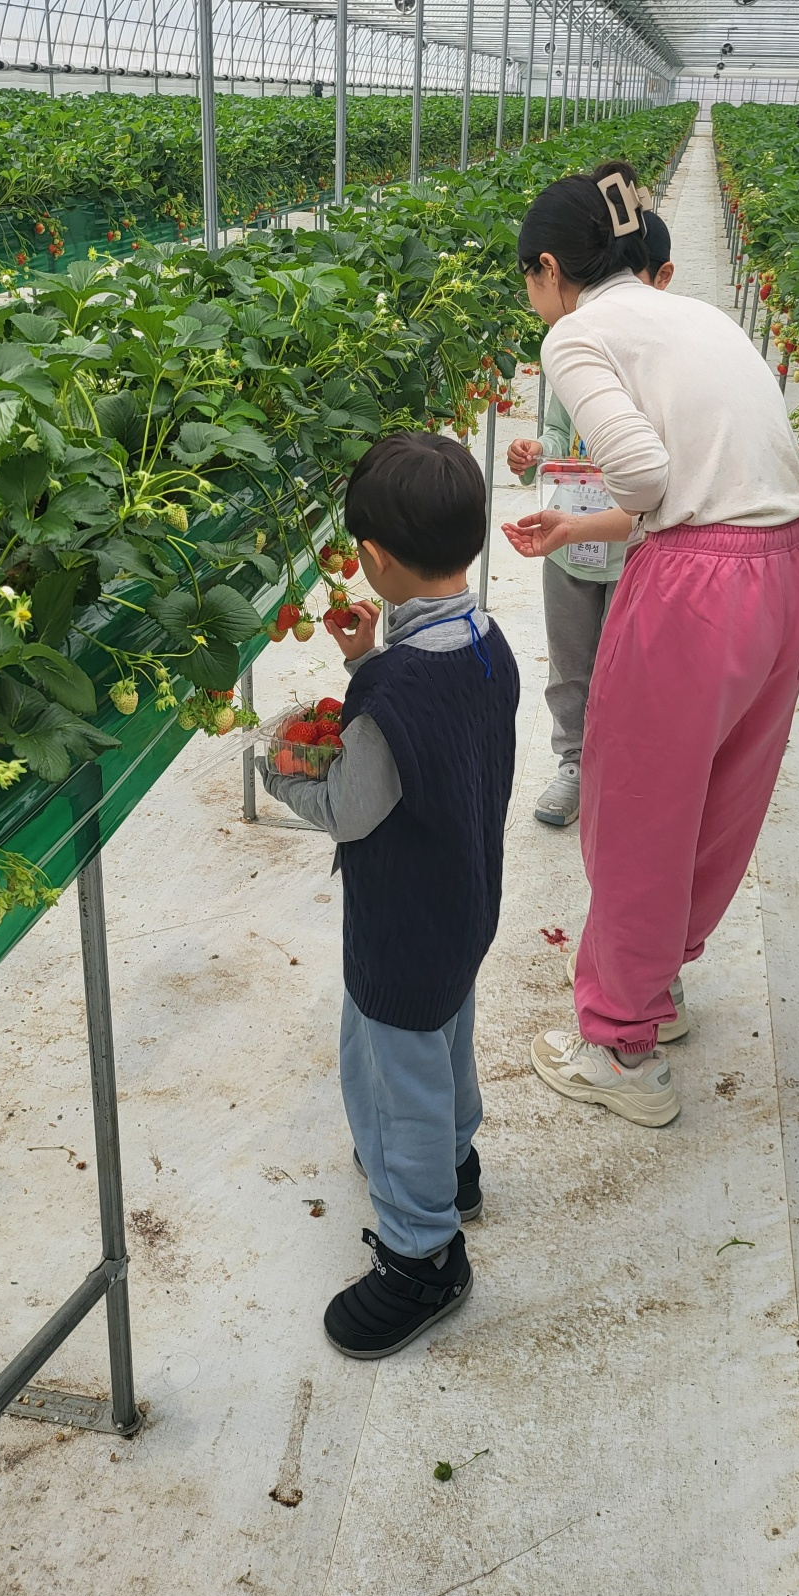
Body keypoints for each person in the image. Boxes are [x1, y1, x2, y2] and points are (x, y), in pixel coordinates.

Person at [501, 162, 799, 1130]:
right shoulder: (688, 315)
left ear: (548, 267)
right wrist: (581, 526)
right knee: (720, 793)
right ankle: (657, 983)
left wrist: (608, 503)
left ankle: (618, 1047)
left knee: (637, 805)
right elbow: (707, 484)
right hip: (788, 567)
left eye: (527, 279)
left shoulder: (575, 332)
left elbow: (644, 474)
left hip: (698, 592)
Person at [259, 433, 520, 1357]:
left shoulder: (391, 690)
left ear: (371, 557)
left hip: (402, 925)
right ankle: (454, 1164)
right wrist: (365, 661)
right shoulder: (489, 642)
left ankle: (422, 1252)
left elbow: (352, 805)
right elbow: (432, 735)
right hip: (465, 903)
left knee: (392, 1075)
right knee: (445, 1045)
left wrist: (280, 769)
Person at [506, 209, 675, 827]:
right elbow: (558, 433)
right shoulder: (568, 356)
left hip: (635, 544)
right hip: (567, 535)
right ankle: (573, 763)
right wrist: (536, 453)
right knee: (570, 659)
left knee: (626, 662)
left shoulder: (658, 362)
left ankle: (619, 766)